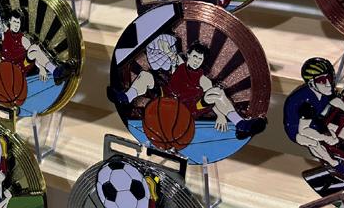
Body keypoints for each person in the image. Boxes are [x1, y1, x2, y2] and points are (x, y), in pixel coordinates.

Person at [109, 41, 267, 139]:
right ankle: (126, 98)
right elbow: (170, 53)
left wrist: (220, 115)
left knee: (217, 93)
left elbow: (215, 100)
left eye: (200, 58)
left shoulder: (203, 80)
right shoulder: (179, 63)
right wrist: (163, 46)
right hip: (167, 97)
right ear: (189, 55)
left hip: (189, 108)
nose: (197, 60)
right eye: (195, 57)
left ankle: (240, 123)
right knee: (145, 76)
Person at [284, 57, 344, 177]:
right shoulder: (306, 103)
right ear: (311, 83)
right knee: (313, 143)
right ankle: (335, 164)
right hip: (297, 128)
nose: (328, 84)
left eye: (330, 78)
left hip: (316, 119)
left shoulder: (327, 92)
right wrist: (325, 137)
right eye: (322, 81)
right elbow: (304, 130)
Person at [0, 7, 73, 85]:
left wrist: (42, 68)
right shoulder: (3, 33)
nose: (16, 25)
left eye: (18, 23)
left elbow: (36, 56)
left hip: (20, 66)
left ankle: (55, 71)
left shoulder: (23, 39)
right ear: (10, 21)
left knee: (34, 48)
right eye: (14, 22)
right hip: (4, 64)